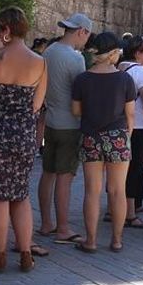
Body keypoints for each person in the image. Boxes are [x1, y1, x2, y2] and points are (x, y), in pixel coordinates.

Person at [0, 7, 49, 272]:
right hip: (23, 135)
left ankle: (0, 255)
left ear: (4, 30)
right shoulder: (39, 62)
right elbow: (37, 105)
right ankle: (26, 253)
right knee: (20, 195)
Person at [71, 31, 137, 253]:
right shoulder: (125, 79)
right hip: (117, 135)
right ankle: (116, 240)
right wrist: (127, 137)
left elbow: (76, 110)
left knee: (92, 191)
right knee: (118, 190)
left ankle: (90, 241)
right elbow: (130, 114)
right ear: (113, 54)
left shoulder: (82, 79)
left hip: (91, 135)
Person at [40, 13, 92, 242]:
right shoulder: (76, 59)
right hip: (70, 124)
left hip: (51, 120)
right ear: (82, 31)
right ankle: (63, 228)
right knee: (65, 176)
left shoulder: (49, 52)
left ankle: (46, 223)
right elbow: (80, 93)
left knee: (48, 173)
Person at [120, 33, 143, 227]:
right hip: (139, 124)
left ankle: (116, 208)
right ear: (137, 53)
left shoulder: (121, 67)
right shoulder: (140, 72)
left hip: (121, 124)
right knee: (135, 168)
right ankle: (130, 213)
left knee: (122, 168)